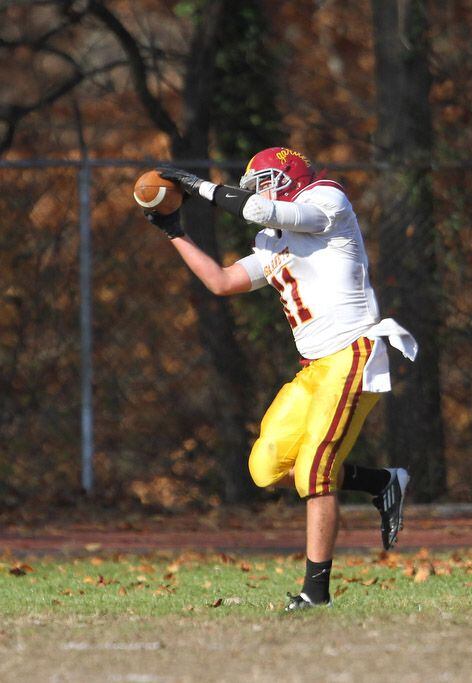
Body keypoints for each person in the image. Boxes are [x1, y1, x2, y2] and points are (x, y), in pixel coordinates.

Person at [146, 147, 416, 611]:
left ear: (289, 176)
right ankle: (380, 482)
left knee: (313, 471)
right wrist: (174, 232)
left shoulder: (328, 199)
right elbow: (222, 282)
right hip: (313, 368)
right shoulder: (273, 240)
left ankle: (316, 593)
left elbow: (257, 208)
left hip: (353, 351)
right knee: (265, 467)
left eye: (265, 180)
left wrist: (196, 185)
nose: (258, 190)